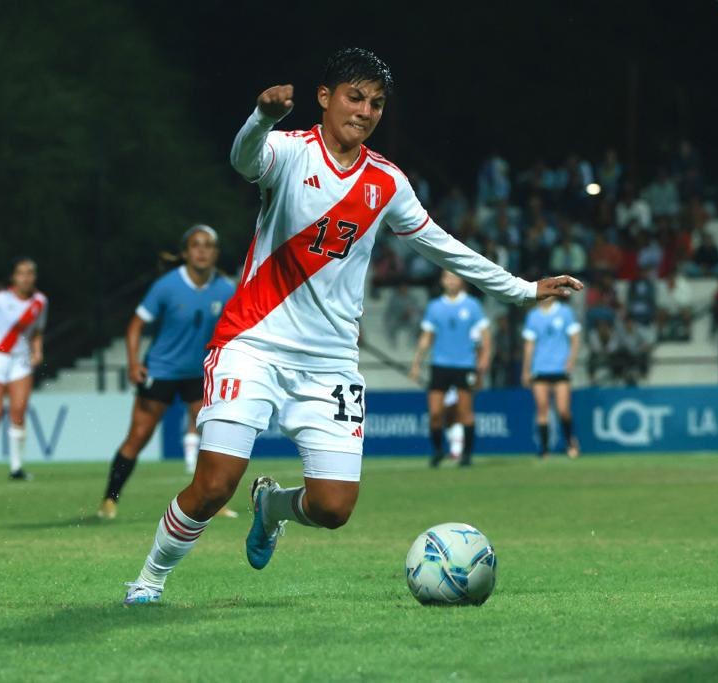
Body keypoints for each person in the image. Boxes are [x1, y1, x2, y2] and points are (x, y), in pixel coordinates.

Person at [122, 48, 582, 604]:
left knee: (333, 508)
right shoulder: (290, 153)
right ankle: (148, 580)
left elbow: (444, 248)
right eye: (355, 97)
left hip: (331, 364)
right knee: (215, 485)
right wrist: (261, 117)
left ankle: (271, 507)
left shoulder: (386, 182)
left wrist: (523, 289)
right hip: (253, 343)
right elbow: (245, 161)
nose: (364, 111)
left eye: (377, 103)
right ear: (325, 97)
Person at [98, 225, 237, 520]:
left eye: (208, 245)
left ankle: (212, 500)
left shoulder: (226, 289)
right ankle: (110, 499)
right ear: (186, 252)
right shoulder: (167, 286)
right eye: (196, 245)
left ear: (216, 253)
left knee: (212, 435)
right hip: (161, 371)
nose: (202, 250)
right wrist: (134, 363)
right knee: (138, 437)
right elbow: (135, 325)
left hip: (200, 373)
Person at [0, 258, 47, 481]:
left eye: (30, 273)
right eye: (21, 273)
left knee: (18, 412)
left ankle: (16, 468)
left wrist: (37, 350)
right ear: (13, 277)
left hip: (20, 362)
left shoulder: (40, 302)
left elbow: (37, 330)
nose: (26, 278)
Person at [409, 272, 491, 468]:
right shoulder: (435, 307)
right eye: (447, 277)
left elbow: (485, 336)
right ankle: (438, 451)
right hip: (440, 364)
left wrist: (484, 360)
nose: (451, 281)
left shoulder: (472, 306)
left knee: (465, 412)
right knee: (436, 413)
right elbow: (426, 337)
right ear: (442, 281)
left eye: (454, 277)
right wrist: (417, 362)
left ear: (461, 280)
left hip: (465, 365)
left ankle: (467, 455)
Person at [522, 298, 582, 458]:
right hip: (540, 367)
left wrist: (571, 359)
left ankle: (570, 442)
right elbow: (529, 345)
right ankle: (544, 449)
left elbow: (575, 338)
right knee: (542, 408)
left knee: (563, 410)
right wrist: (526, 369)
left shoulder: (565, 313)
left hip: (560, 368)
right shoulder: (533, 316)